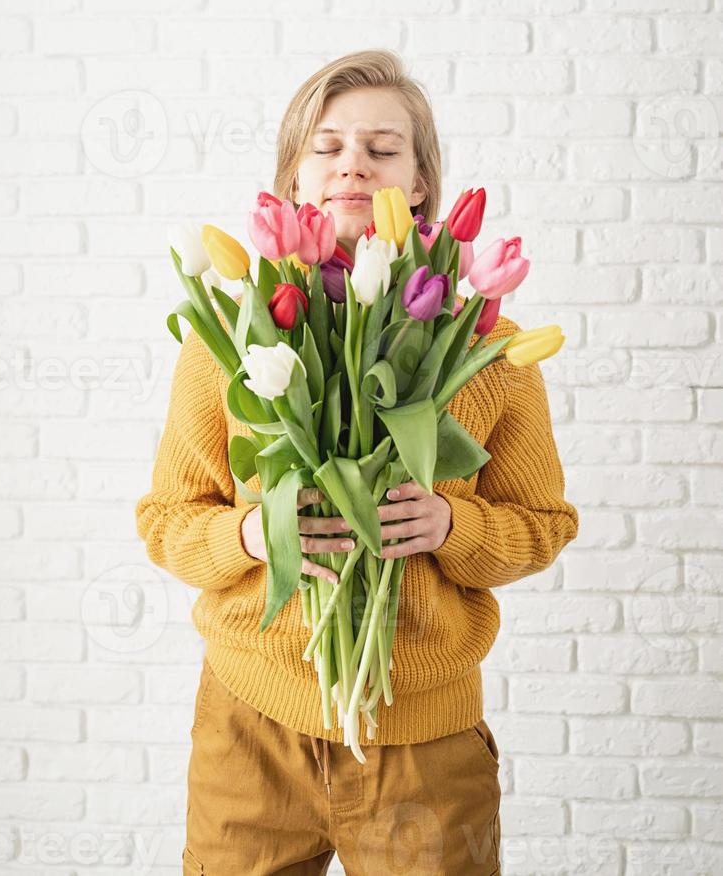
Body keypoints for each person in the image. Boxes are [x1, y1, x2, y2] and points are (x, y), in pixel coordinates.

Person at [135, 49, 579, 875]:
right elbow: (166, 521)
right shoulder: (227, 339)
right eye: (327, 146)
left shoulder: (486, 352)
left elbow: (544, 526)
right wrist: (253, 540)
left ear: (418, 183)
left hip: (424, 737)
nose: (352, 165)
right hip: (251, 724)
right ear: (293, 178)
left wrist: (454, 525)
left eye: (382, 149)